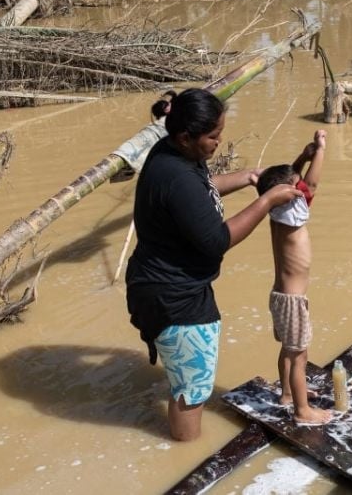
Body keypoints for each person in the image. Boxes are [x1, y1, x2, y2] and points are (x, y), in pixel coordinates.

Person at [125, 88, 301, 442]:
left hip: (161, 282)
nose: (219, 142)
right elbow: (218, 240)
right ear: (186, 136)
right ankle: (184, 452)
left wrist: (249, 178)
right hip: (174, 294)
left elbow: (201, 189)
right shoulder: (175, 176)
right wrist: (266, 201)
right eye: (213, 136)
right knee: (193, 391)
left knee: (187, 380)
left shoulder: (174, 154)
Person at [255, 129, 332, 426]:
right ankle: (302, 411)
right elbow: (311, 182)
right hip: (293, 299)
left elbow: (293, 179)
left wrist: (302, 156)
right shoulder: (291, 208)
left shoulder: (280, 208)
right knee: (299, 356)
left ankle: (288, 394)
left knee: (290, 350)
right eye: (294, 186)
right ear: (290, 194)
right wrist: (321, 149)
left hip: (282, 296)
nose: (299, 187)